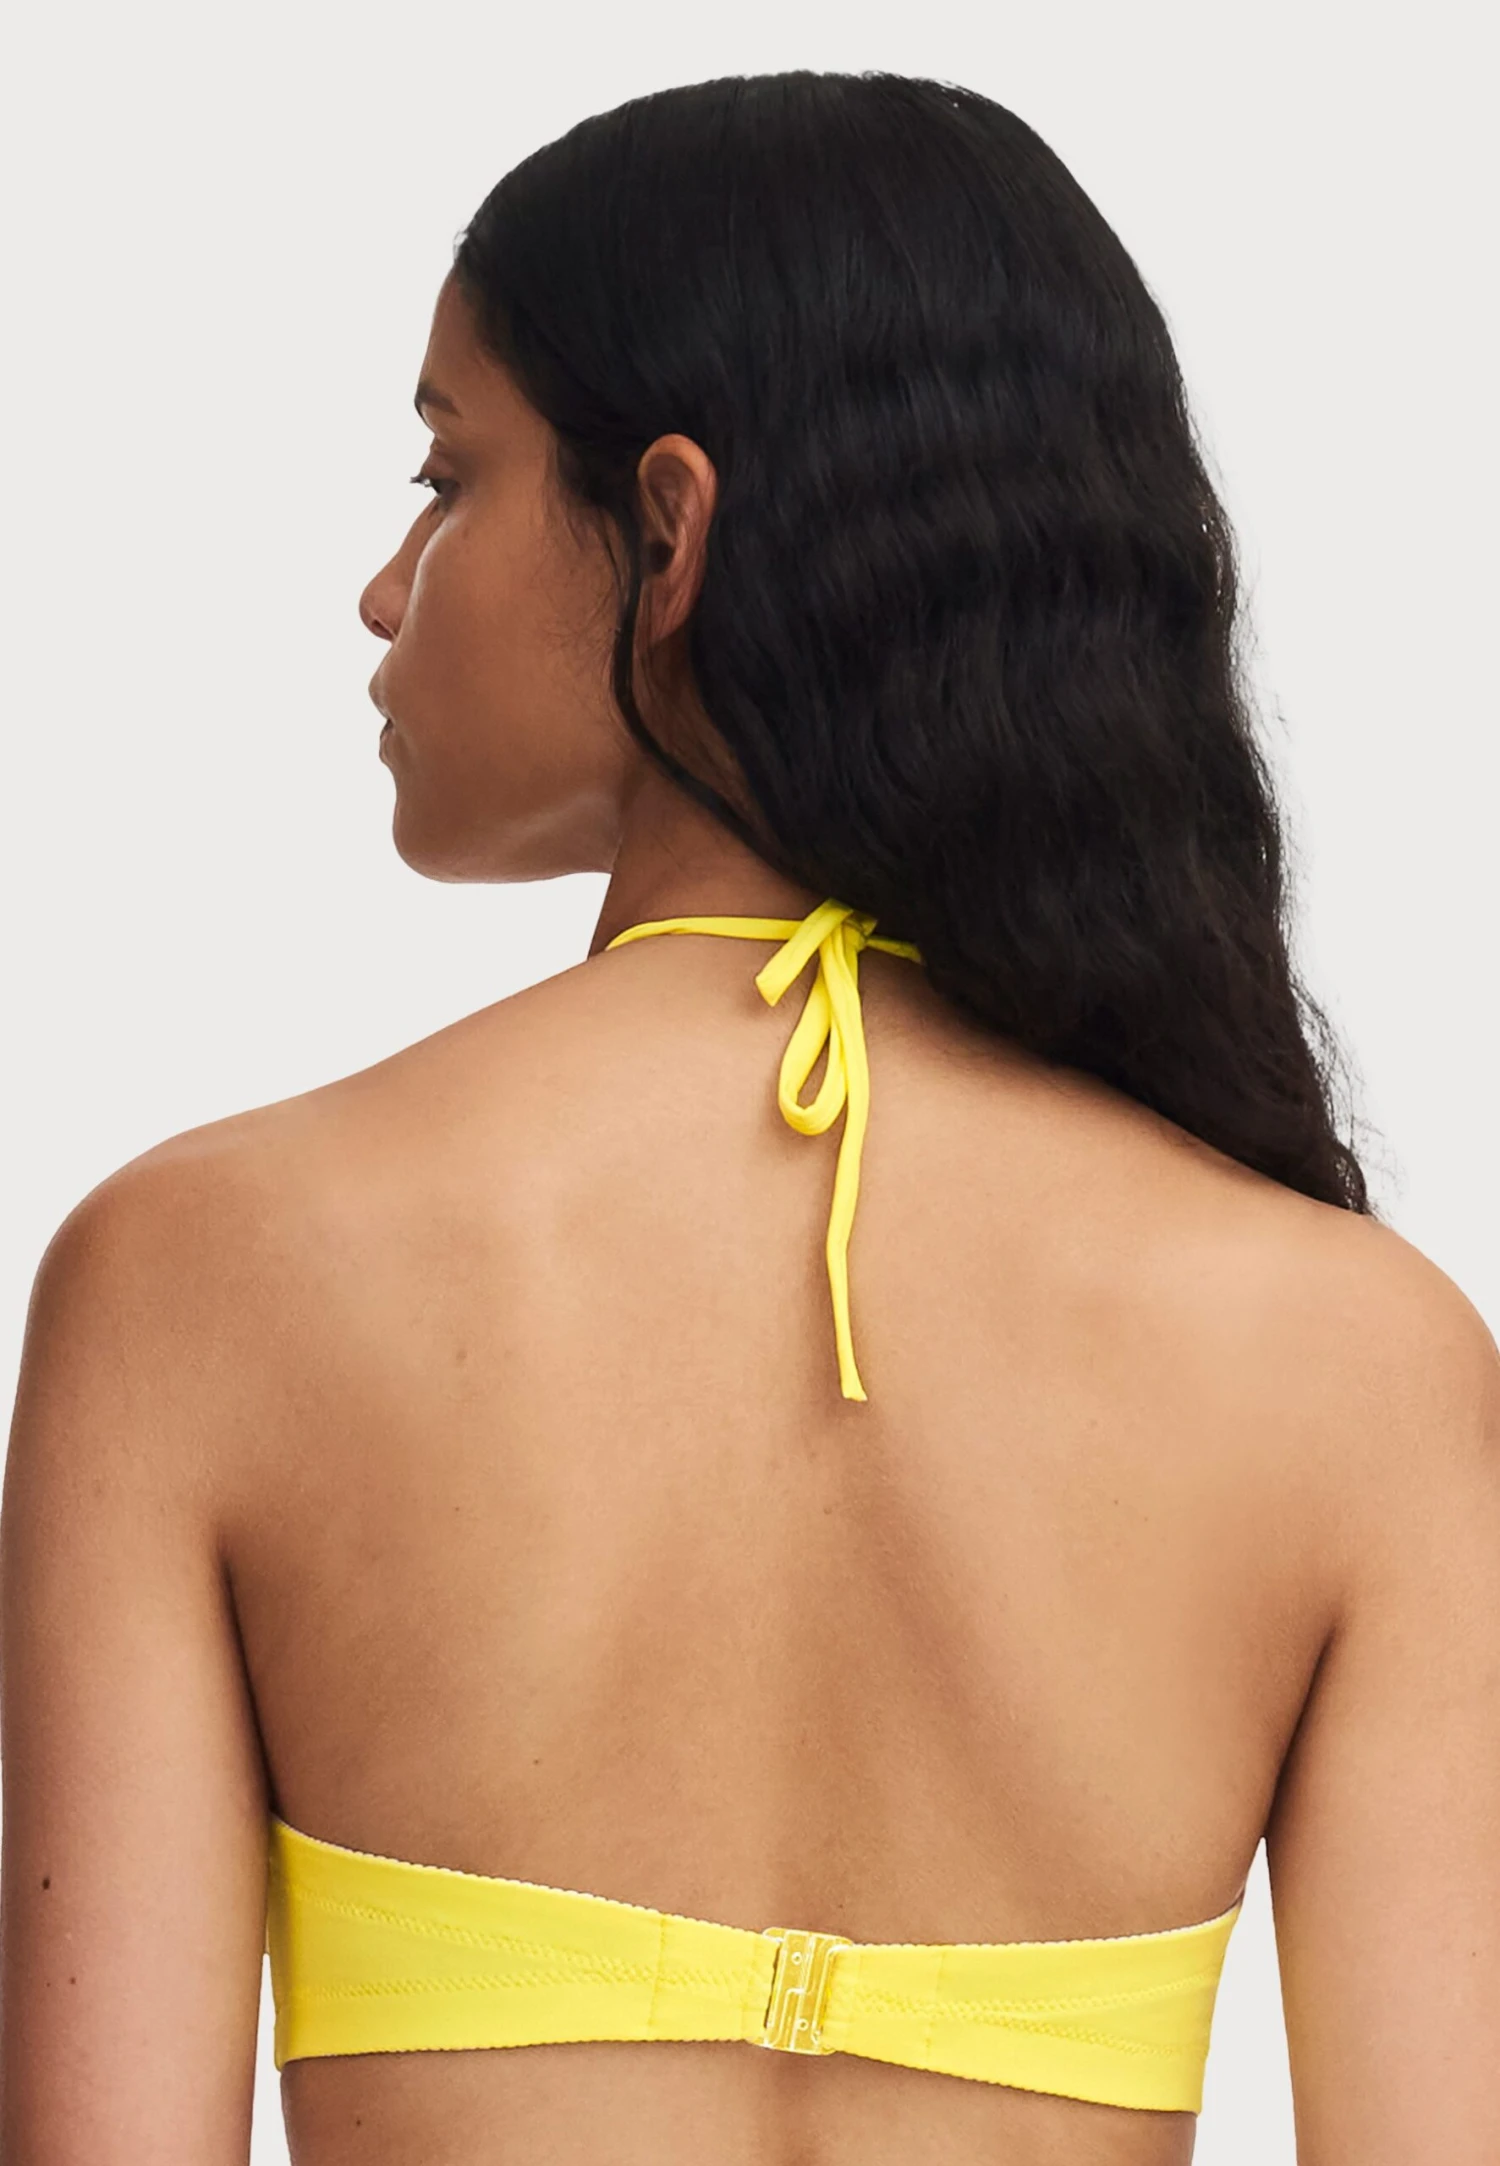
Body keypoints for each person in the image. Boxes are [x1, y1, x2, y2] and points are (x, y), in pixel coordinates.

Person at [2, 68, 1496, 2166]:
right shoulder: (1365, 1360)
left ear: (671, 531)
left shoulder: (195, 1275)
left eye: (448, 474)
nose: (386, 586)